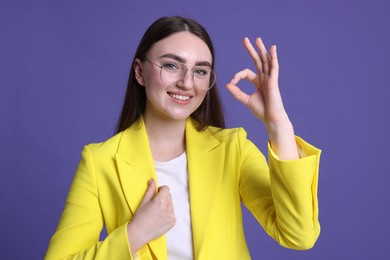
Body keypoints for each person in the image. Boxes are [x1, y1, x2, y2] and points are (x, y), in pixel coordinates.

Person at [45, 16, 321, 260]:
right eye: (172, 66)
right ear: (140, 72)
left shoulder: (232, 149)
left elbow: (299, 235)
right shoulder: (100, 162)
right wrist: (134, 235)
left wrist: (277, 124)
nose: (187, 83)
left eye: (200, 71)